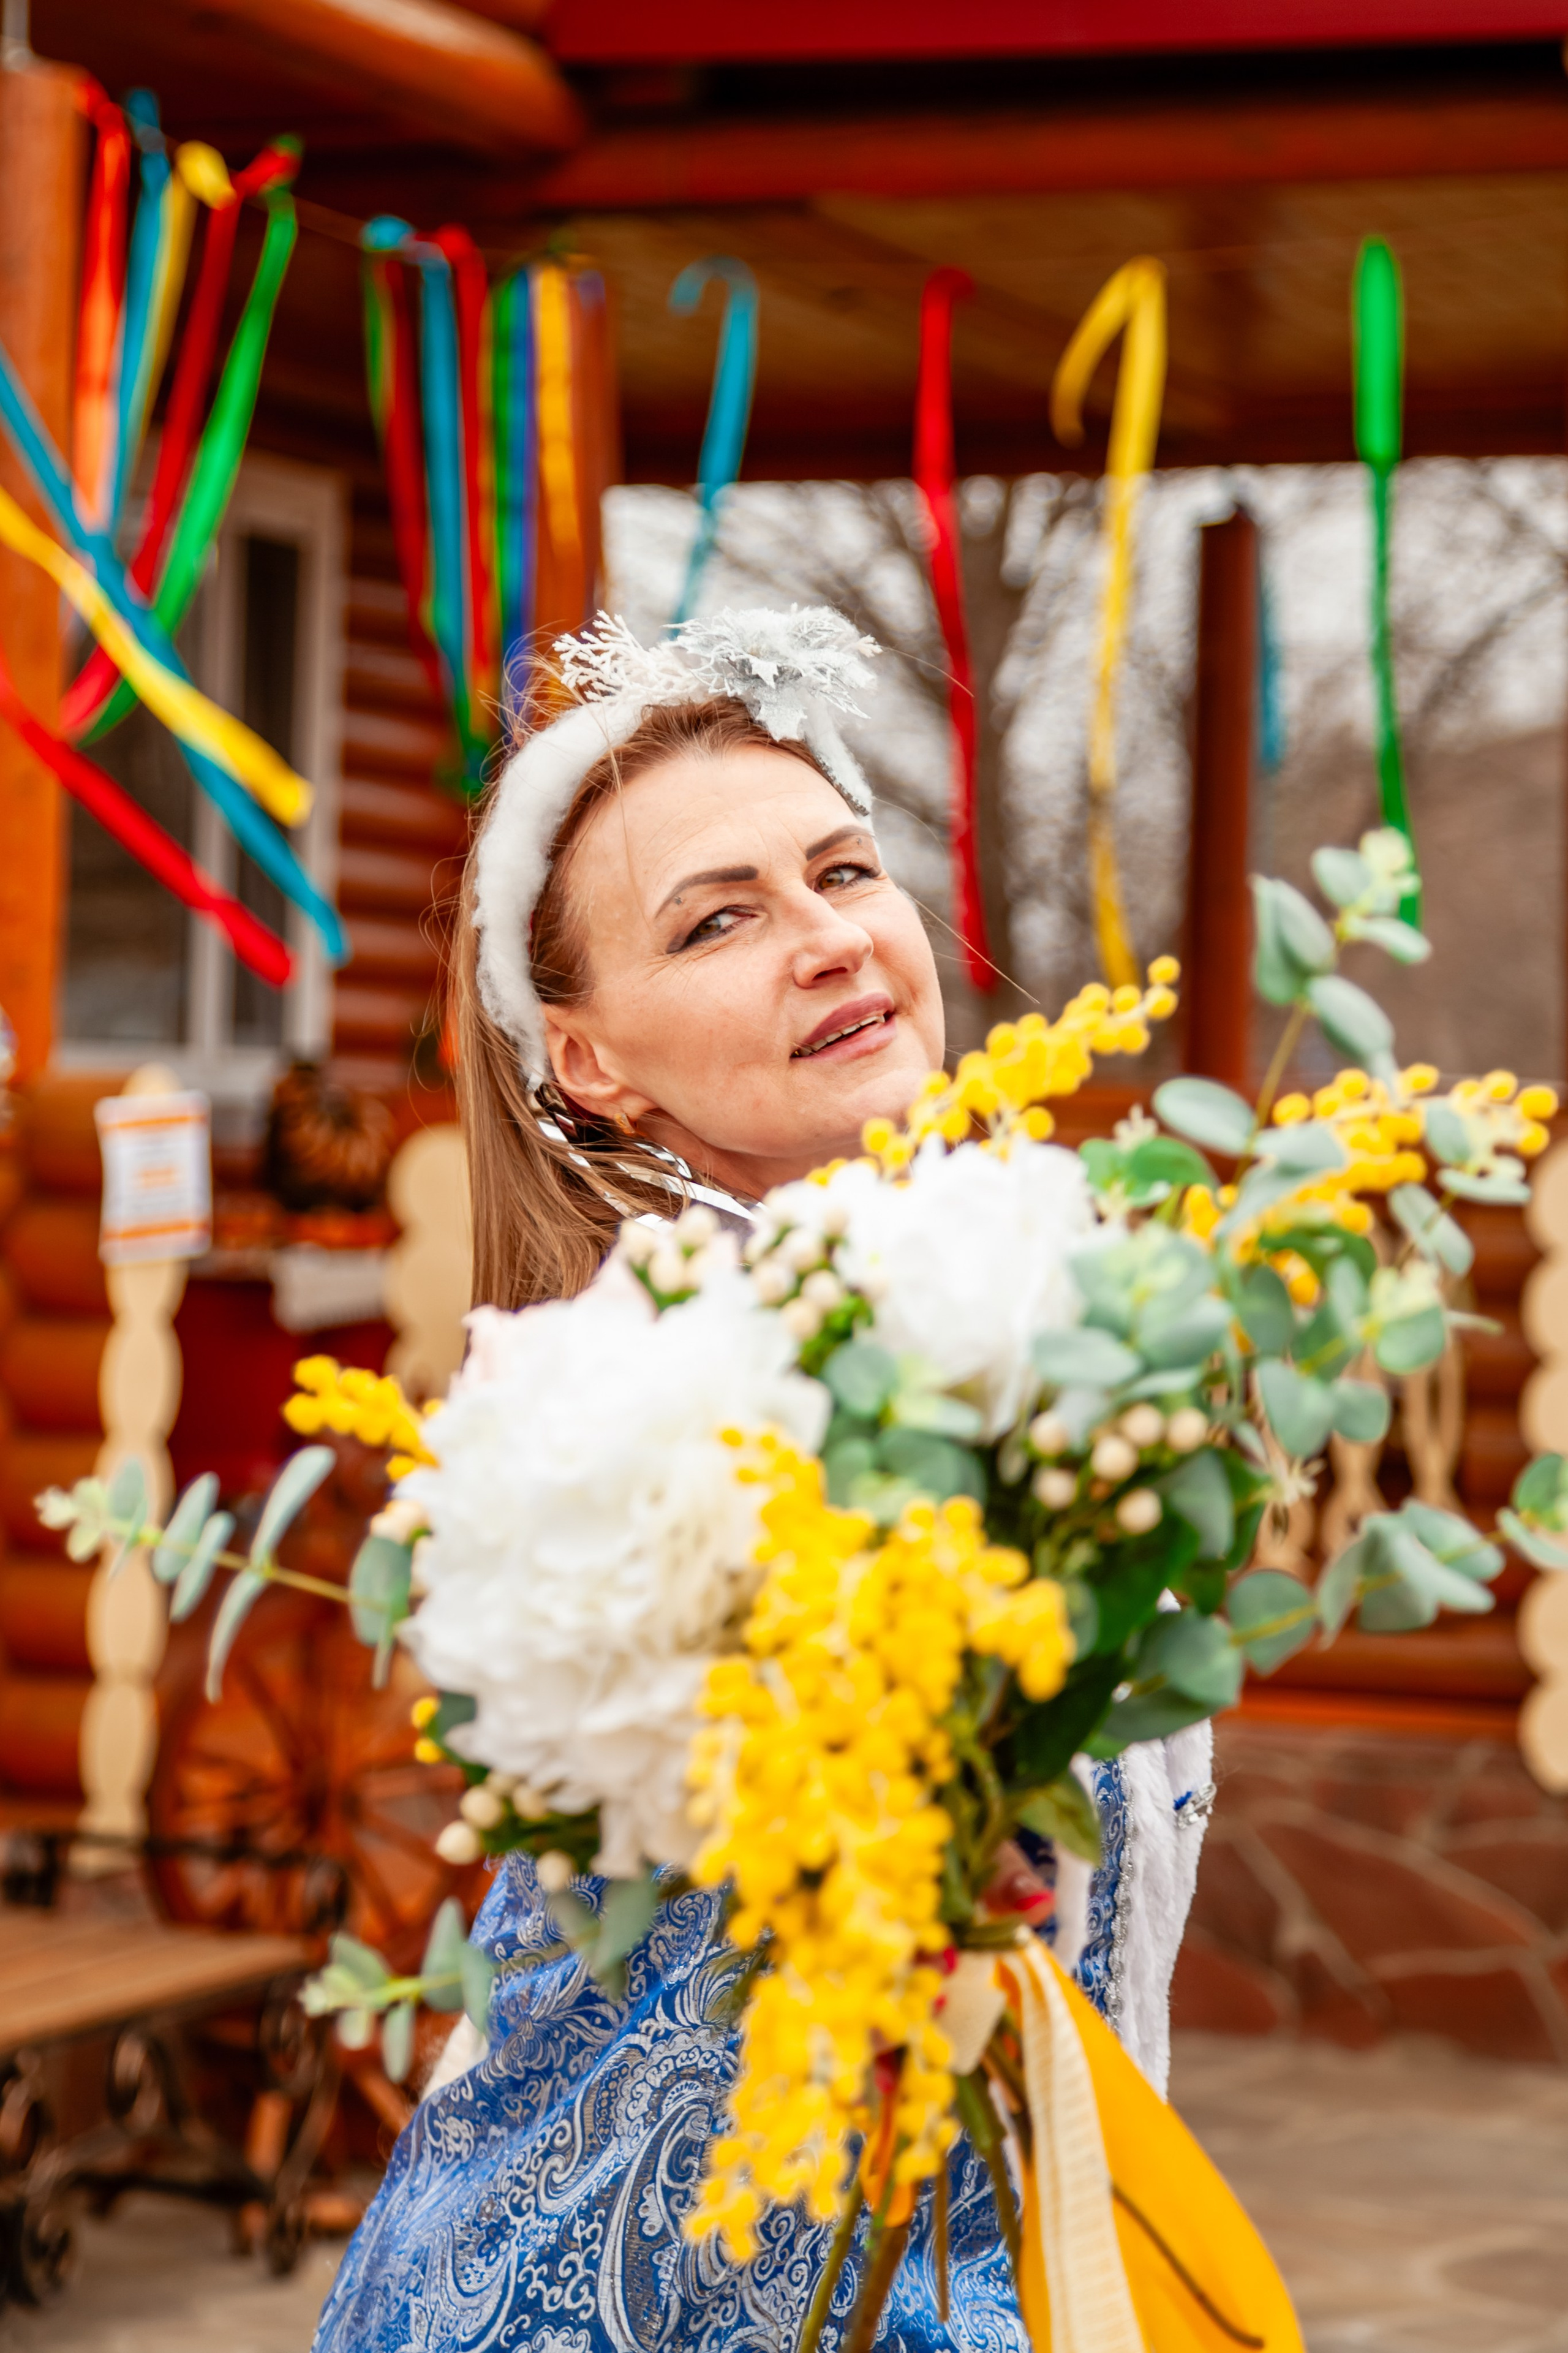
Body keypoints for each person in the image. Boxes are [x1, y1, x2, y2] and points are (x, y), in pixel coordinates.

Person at [313, 609, 1213, 2353]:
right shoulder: (634, 1407)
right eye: (718, 917)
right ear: (591, 1059)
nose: (827, 938)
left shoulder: (1041, 1311)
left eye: (845, 869)